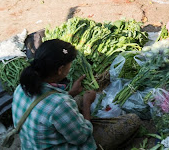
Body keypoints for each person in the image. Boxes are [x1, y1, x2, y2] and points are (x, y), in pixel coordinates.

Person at [13, 39, 141, 150]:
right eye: (70, 64)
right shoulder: (60, 103)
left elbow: (45, 104)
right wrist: (87, 105)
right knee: (132, 121)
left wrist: (72, 93)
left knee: (77, 98)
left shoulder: (23, 87)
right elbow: (82, 137)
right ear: (60, 70)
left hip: (33, 145)